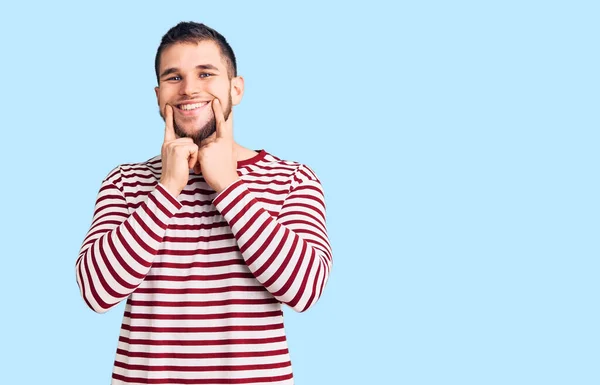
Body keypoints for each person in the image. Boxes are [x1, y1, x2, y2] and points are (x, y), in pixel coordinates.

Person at [75, 21, 333, 384]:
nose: (189, 89)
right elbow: (97, 291)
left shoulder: (293, 179)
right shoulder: (123, 182)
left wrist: (228, 184)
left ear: (236, 88)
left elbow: (304, 290)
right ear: (158, 94)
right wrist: (167, 188)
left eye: (205, 73)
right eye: (174, 77)